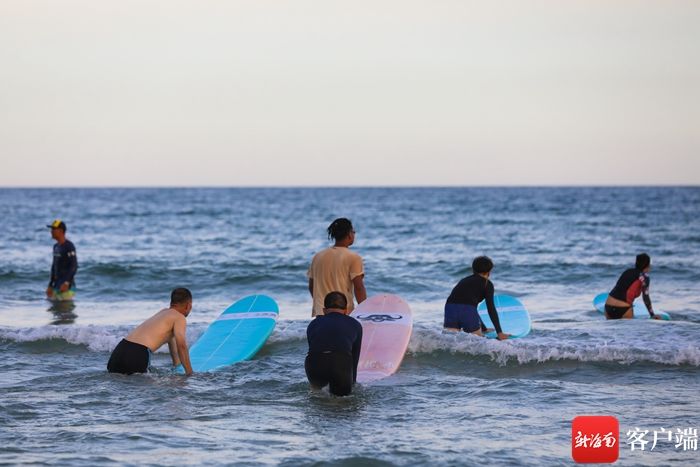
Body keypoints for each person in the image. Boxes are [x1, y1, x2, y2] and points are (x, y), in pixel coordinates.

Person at [107, 288, 194, 375]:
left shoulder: (163, 312)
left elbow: (172, 344)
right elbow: (181, 345)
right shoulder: (179, 317)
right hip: (137, 354)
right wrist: (189, 372)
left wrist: (177, 365)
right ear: (188, 305)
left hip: (118, 353)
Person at [305, 291, 363, 396]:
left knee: (318, 397)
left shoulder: (313, 324)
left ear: (324, 310)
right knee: (342, 402)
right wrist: (352, 383)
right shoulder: (356, 325)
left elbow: (313, 351)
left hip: (314, 366)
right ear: (346, 311)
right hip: (340, 365)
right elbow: (354, 359)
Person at [307, 218, 367, 317]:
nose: (354, 234)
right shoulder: (353, 257)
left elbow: (311, 286)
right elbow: (359, 288)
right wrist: (365, 311)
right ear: (349, 234)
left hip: (321, 313)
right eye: (353, 232)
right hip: (342, 313)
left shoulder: (318, 256)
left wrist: (320, 305)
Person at [444, 256, 511, 340]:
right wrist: (499, 333)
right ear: (489, 271)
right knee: (477, 342)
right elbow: (490, 308)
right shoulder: (487, 284)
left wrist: (484, 328)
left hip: (450, 307)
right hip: (467, 310)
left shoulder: (464, 280)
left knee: (450, 340)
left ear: (473, 269)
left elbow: (468, 306)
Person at [604, 253, 660, 320]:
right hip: (624, 308)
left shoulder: (627, 271)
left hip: (608, 306)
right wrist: (652, 315)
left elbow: (618, 289)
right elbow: (646, 297)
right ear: (647, 265)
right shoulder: (645, 277)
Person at [46, 219, 78, 301]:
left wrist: (66, 282)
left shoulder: (69, 246)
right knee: (54, 311)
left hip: (66, 287)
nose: (51, 231)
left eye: (54, 229)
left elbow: (74, 266)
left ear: (61, 231)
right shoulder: (56, 246)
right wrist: (50, 285)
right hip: (56, 286)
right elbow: (54, 266)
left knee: (65, 312)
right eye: (51, 229)